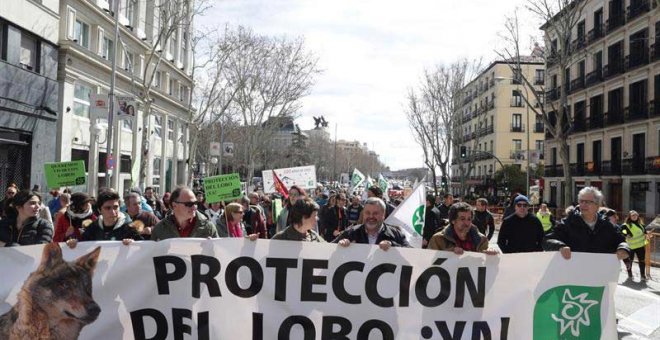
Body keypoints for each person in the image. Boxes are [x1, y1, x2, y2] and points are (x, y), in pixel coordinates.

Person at [543, 186, 630, 261]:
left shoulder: (607, 225)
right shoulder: (568, 223)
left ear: (597, 205)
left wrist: (623, 249)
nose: (583, 204)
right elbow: (547, 241)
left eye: (588, 202)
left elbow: (622, 242)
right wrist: (560, 247)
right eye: (581, 201)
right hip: (573, 274)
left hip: (600, 275)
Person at [333, 197, 410, 250]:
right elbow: (328, 249)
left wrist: (393, 246)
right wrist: (339, 247)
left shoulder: (396, 234)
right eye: (367, 213)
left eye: (375, 213)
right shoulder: (351, 232)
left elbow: (412, 254)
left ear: (383, 215)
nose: (371, 216)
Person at [71, 190, 142, 247]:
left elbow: (144, 250)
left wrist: (134, 244)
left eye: (115, 207)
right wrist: (74, 244)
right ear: (99, 210)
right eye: (108, 208)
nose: (113, 212)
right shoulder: (92, 228)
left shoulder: (130, 228)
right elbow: (82, 248)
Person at [427, 202, 498, 255]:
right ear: (453, 220)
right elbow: (428, 262)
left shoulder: (481, 240)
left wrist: (491, 254)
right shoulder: (438, 239)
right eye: (462, 219)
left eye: (469, 219)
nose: (467, 223)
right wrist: (446, 254)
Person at [151, 186, 219, 240]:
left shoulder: (208, 227)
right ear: (174, 205)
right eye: (189, 204)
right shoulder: (160, 229)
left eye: (195, 203)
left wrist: (213, 246)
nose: (194, 207)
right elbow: (151, 254)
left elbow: (219, 253)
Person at [621, 210, 650, 280]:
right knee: (629, 261)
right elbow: (622, 231)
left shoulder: (642, 225)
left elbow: (645, 232)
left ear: (638, 216)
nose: (634, 216)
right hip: (630, 247)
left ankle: (642, 275)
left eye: (636, 215)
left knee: (642, 261)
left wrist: (648, 234)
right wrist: (625, 234)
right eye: (633, 215)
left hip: (640, 246)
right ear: (629, 217)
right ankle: (629, 273)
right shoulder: (625, 225)